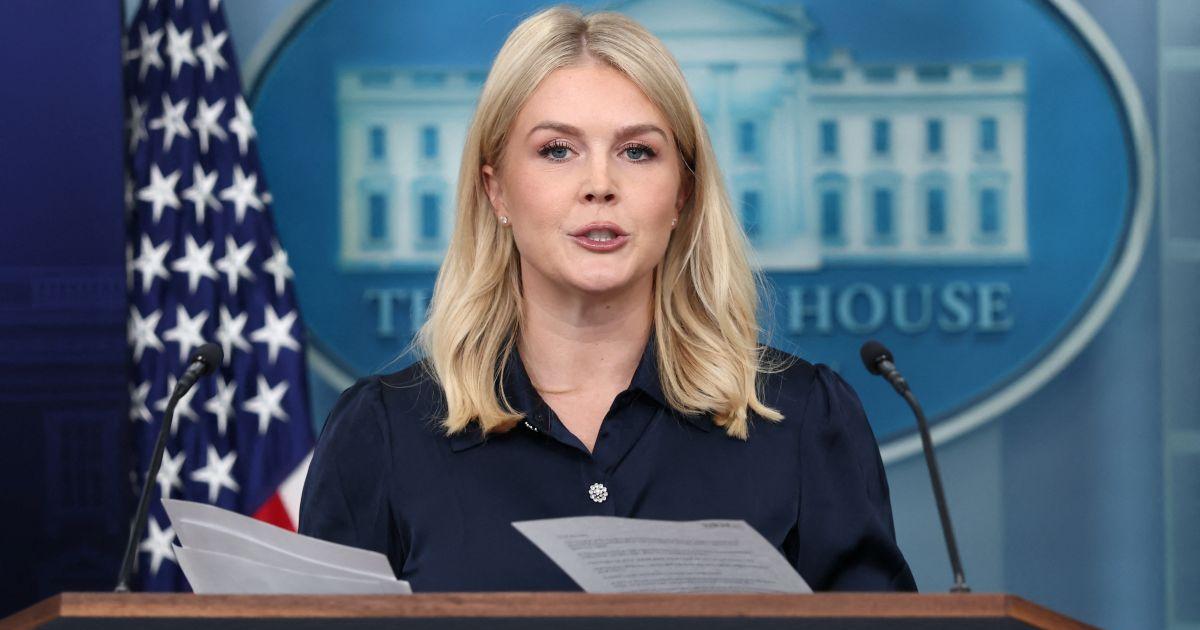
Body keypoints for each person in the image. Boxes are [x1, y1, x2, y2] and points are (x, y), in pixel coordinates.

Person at [299, 4, 916, 592]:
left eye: (637, 151)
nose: (600, 184)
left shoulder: (803, 420)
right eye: (557, 150)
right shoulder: (382, 433)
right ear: (497, 191)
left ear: (682, 195)